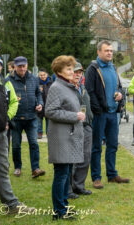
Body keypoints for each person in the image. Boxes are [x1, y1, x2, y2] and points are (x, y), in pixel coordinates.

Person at [0, 38, 33, 223]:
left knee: (1, 169)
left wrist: (5, 119)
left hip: (0, 132)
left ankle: (11, 205)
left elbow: (4, 101)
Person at [85, 40, 129, 189]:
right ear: (99, 52)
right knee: (96, 146)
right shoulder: (93, 69)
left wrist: (120, 95)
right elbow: (89, 92)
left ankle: (112, 175)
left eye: (111, 50)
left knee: (112, 145)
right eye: (106, 50)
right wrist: (98, 109)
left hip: (113, 113)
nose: (109, 53)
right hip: (100, 114)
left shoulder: (113, 67)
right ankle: (96, 177)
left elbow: (120, 87)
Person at [45, 55, 84, 220]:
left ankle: (64, 207)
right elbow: (50, 111)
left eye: (72, 68)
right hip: (61, 138)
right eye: (68, 68)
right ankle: (59, 212)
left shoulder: (67, 86)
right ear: (59, 70)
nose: (72, 71)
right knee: (61, 175)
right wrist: (75, 116)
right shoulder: (56, 87)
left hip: (68, 137)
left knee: (66, 174)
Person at [7, 56, 45, 178]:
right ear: (15, 67)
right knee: (16, 145)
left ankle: (35, 168)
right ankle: (17, 167)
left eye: (24, 66)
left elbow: (38, 93)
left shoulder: (33, 78)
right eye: (19, 66)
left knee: (34, 143)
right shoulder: (9, 80)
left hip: (32, 117)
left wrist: (40, 103)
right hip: (16, 118)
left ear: (27, 65)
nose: (22, 69)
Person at [68, 62, 93, 199]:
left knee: (85, 157)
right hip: (73, 126)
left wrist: (90, 120)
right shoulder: (67, 88)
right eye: (75, 72)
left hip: (87, 126)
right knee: (72, 159)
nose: (77, 74)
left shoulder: (82, 87)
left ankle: (79, 186)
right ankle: (69, 188)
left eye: (79, 72)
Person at [37, 68, 53, 139]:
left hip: (48, 104)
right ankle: (39, 133)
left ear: (47, 74)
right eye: (41, 75)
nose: (42, 76)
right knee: (39, 120)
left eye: (44, 75)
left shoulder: (51, 82)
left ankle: (48, 133)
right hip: (39, 104)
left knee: (48, 121)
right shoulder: (36, 82)